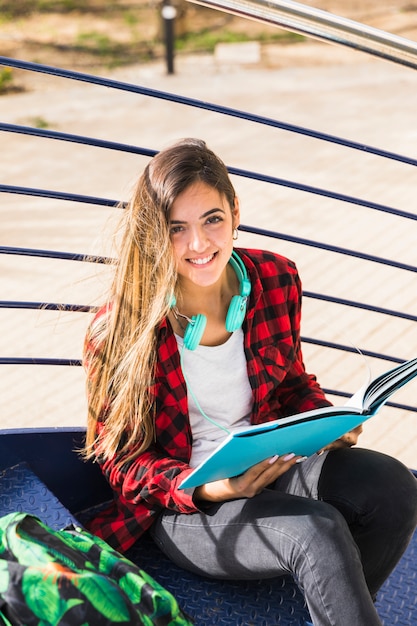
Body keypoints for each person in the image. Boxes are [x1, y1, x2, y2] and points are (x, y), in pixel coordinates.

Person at [83, 138, 417, 626]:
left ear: (235, 212)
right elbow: (122, 465)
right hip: (188, 507)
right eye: (177, 229)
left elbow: (291, 384)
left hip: (271, 465)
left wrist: (327, 421)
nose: (199, 245)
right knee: (316, 531)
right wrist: (213, 489)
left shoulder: (274, 278)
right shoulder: (121, 328)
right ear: (155, 233)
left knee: (393, 484)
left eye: (212, 220)